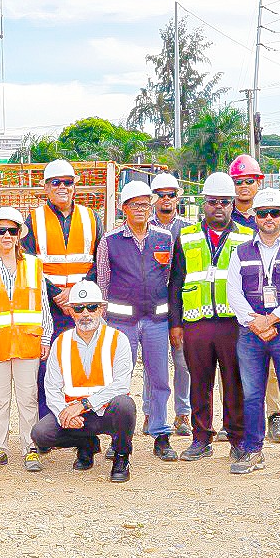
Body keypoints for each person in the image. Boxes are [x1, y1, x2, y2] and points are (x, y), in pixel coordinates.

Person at [226, 188, 280, 481]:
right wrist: (255, 323)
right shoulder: (241, 252)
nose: (269, 219)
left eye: (275, 213)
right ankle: (253, 450)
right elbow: (233, 292)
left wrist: (273, 319)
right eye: (262, 213)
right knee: (252, 394)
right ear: (254, 217)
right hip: (251, 334)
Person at [170, 172, 251, 462]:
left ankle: (238, 438)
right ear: (205, 204)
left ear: (233, 204)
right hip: (196, 322)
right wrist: (175, 323)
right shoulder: (187, 236)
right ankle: (201, 437)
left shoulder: (246, 237)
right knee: (200, 382)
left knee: (234, 382)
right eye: (214, 202)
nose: (219, 207)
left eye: (225, 202)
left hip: (233, 322)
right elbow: (176, 281)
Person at [95, 181, 176, 461]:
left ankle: (160, 433)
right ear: (124, 208)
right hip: (121, 321)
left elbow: (168, 278)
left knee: (159, 379)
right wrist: (101, 318)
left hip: (156, 319)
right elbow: (103, 280)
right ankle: (117, 435)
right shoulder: (110, 240)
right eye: (134, 205)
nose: (141, 210)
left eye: (145, 204)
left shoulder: (164, 237)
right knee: (118, 379)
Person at [0, 207, 52, 470]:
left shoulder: (33, 264)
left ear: (18, 235)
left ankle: (30, 447)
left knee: (28, 397)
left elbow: (42, 304)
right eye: (1, 230)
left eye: (11, 231)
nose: (6, 235)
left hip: (28, 341)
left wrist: (46, 337)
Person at [31, 281, 138, 482]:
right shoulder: (61, 342)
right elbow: (52, 387)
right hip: (77, 418)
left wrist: (83, 405)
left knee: (125, 405)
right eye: (79, 308)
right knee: (40, 433)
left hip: (107, 412)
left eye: (92, 307)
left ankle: (121, 456)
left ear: (101, 309)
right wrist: (64, 414)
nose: (85, 313)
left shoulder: (118, 339)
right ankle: (87, 444)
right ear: (71, 312)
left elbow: (122, 385)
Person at [25, 159, 102, 419]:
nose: (62, 187)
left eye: (67, 182)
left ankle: (85, 424)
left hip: (84, 308)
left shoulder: (91, 218)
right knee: (49, 367)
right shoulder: (33, 219)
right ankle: (50, 422)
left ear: (74, 187)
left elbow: (99, 261)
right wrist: (56, 294)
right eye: (55, 182)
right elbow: (28, 262)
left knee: (85, 366)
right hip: (50, 307)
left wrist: (78, 291)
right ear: (46, 187)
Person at [226, 154, 280, 444]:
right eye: (238, 182)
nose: (243, 187)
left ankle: (275, 416)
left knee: (272, 368)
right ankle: (235, 421)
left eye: (249, 181)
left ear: (258, 182)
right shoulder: (226, 215)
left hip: (271, 306)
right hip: (238, 304)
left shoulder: (271, 212)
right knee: (238, 367)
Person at [148, 171, 191, 438]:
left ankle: (182, 414)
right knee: (154, 364)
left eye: (170, 195)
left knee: (183, 363)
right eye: (160, 195)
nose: (166, 200)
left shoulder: (188, 230)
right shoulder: (142, 226)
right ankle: (152, 413)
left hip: (181, 306)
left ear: (178, 198)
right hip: (150, 307)